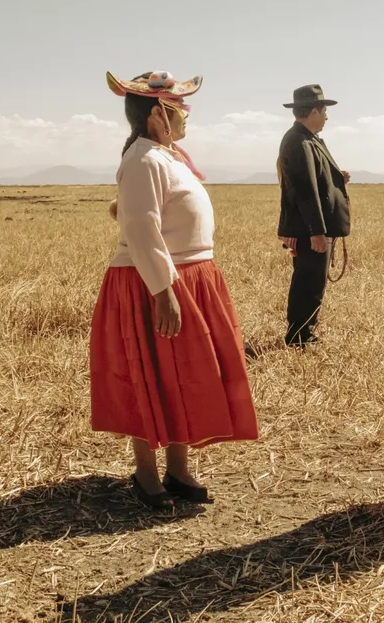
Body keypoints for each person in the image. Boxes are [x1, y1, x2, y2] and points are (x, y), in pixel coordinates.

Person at [89, 70, 259, 510]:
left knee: (181, 374)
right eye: (178, 108)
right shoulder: (143, 159)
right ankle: (146, 475)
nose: (186, 115)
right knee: (147, 374)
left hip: (188, 277)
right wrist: (164, 290)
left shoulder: (167, 157)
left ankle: (179, 470)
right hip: (153, 281)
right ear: (156, 116)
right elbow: (142, 228)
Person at [276, 84, 351, 348]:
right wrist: (316, 231)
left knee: (313, 282)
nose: (327, 118)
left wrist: (337, 179)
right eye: (325, 111)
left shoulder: (307, 139)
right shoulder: (299, 141)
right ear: (315, 110)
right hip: (309, 229)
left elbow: (316, 181)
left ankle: (304, 333)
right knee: (309, 282)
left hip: (311, 227)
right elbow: (305, 190)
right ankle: (299, 337)